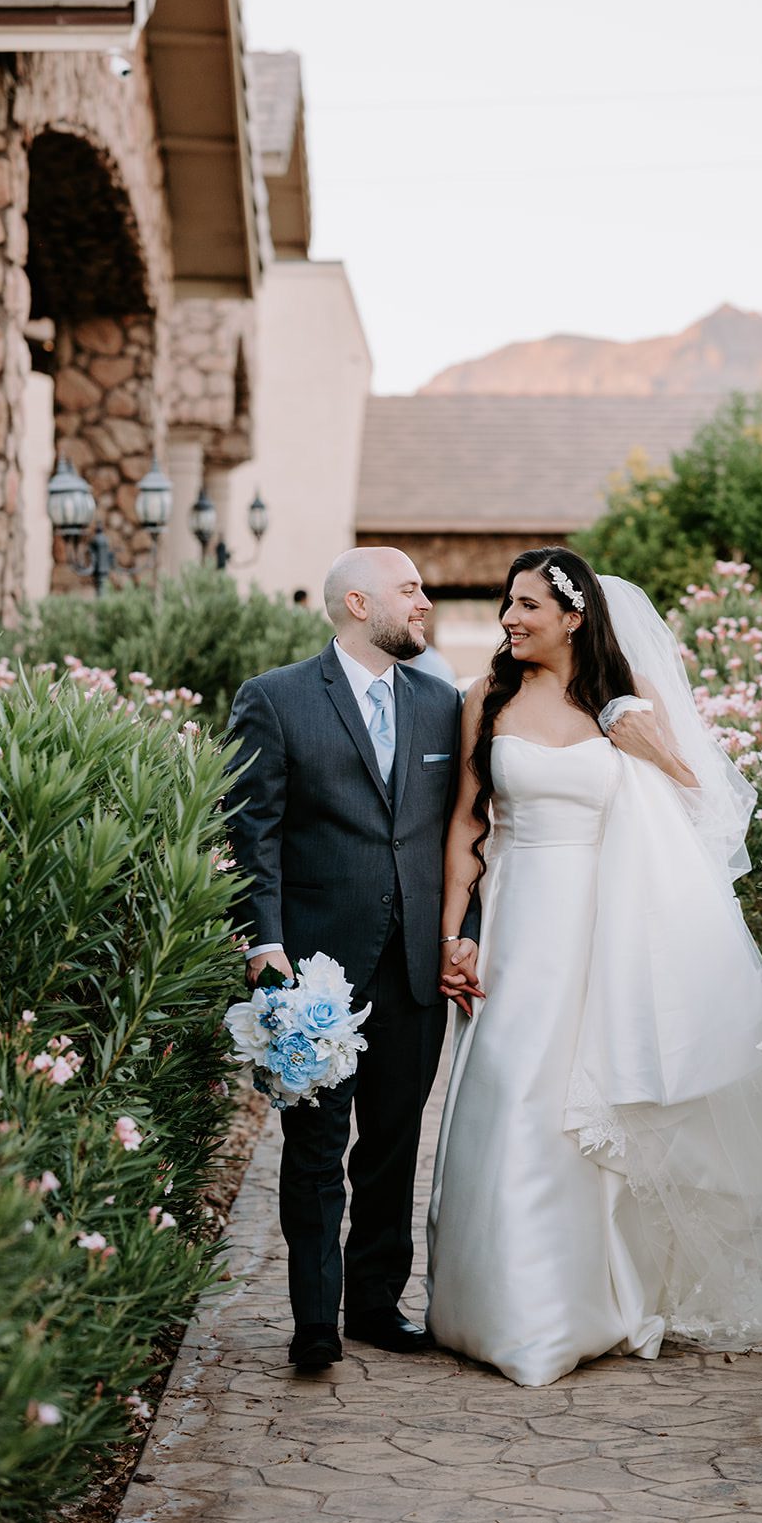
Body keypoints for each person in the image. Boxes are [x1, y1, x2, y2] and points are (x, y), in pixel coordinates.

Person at [427, 546, 762, 1387]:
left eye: (526, 605)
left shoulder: (624, 710)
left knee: (589, 1103)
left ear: (573, 617)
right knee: (508, 1090)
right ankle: (490, 1307)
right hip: (515, 926)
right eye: (507, 603)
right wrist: (450, 934)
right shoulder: (483, 698)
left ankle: (589, 1305)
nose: (509, 618)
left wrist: (656, 752)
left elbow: (704, 814)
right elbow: (466, 826)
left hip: (604, 930)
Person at [226, 545, 474, 1371]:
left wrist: (456, 933)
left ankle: (374, 1305)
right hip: (312, 976)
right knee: (314, 1152)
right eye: (409, 590)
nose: (424, 602)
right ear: (359, 604)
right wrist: (266, 946)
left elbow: (459, 836)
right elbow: (250, 835)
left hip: (411, 970)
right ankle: (313, 1323)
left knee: (393, 1147)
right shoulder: (275, 700)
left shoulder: (444, 706)